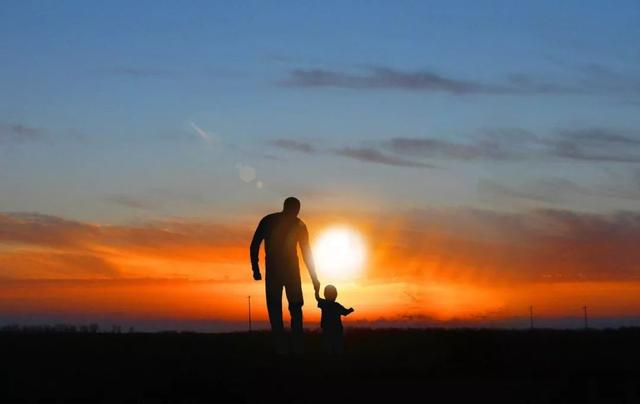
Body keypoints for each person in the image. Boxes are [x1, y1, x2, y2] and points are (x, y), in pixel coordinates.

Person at [250, 197, 320, 354]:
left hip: (280, 271)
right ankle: (292, 347)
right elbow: (307, 253)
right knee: (289, 309)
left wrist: (255, 268)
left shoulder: (270, 220)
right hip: (287, 272)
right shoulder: (296, 224)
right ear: (295, 209)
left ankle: (287, 347)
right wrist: (314, 278)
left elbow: (254, 245)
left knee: (281, 309)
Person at [315, 284, 354, 355]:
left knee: (327, 346)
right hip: (337, 329)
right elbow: (345, 312)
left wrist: (316, 288)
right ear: (335, 295)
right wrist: (350, 310)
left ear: (325, 294)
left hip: (326, 328)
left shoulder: (324, 303)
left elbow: (317, 297)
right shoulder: (336, 305)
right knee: (337, 347)